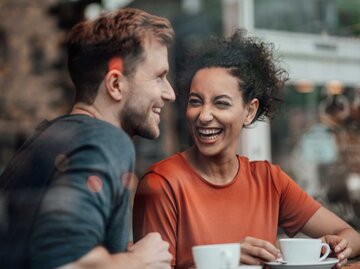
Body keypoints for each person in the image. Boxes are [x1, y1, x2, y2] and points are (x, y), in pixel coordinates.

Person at [132, 29, 360, 269]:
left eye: (221, 103)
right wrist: (227, 258)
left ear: (249, 111)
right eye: (195, 101)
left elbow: (352, 236)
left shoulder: (269, 180)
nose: (204, 115)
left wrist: (339, 246)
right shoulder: (161, 185)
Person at [0, 7, 175, 269]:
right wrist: (139, 261)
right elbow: (66, 262)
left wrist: (118, 255)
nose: (170, 93)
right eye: (159, 77)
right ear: (115, 85)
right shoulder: (107, 141)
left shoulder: (45, 138)